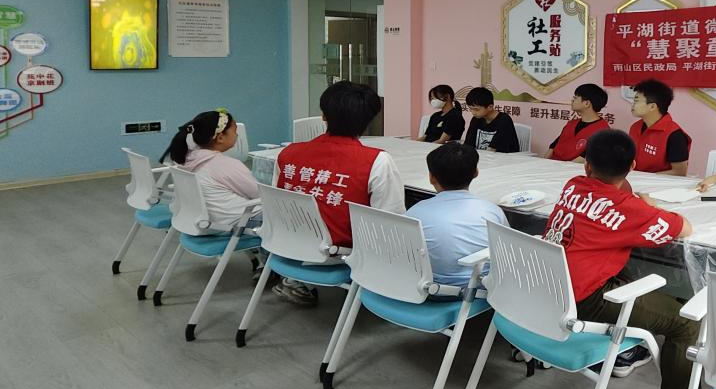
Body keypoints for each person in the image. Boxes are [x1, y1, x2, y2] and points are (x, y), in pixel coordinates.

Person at [544, 129, 716, 389]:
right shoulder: (630, 209)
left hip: (549, 288)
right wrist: (646, 206)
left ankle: (631, 349)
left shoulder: (573, 185)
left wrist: (635, 203)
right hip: (582, 299)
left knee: (630, 276)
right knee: (687, 324)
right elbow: (684, 227)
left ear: (586, 165)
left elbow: (614, 198)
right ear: (632, 165)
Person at [273, 81, 404, 305]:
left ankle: (294, 280)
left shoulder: (288, 154)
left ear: (323, 116)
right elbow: (390, 224)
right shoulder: (377, 161)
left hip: (287, 243)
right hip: (337, 252)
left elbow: (278, 202)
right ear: (368, 121)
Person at [404, 142, 507, 293]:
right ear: (476, 172)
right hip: (474, 290)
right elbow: (505, 254)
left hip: (421, 288)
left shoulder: (414, 212)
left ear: (431, 178)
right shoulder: (492, 212)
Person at [160, 108, 260, 231]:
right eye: (235, 131)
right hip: (235, 222)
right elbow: (259, 194)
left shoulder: (189, 159)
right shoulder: (225, 165)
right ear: (220, 137)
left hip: (203, 221)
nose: (237, 135)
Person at [627, 79, 691, 175]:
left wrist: (646, 178)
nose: (633, 105)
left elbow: (680, 172)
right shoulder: (635, 127)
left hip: (658, 183)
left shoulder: (674, 135)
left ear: (652, 107)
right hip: (634, 180)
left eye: (636, 101)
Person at [543, 83, 609, 162]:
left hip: (571, 168)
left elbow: (585, 158)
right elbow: (553, 146)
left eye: (575, 98)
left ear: (586, 103)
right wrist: (542, 163)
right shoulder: (571, 124)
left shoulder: (603, 132)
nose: (572, 100)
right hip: (552, 165)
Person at [463, 87, 520, 153]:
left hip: (502, 157)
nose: (473, 112)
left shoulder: (504, 120)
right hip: (483, 157)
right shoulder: (476, 119)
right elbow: (468, 145)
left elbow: (492, 150)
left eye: (476, 109)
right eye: (470, 108)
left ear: (490, 107)